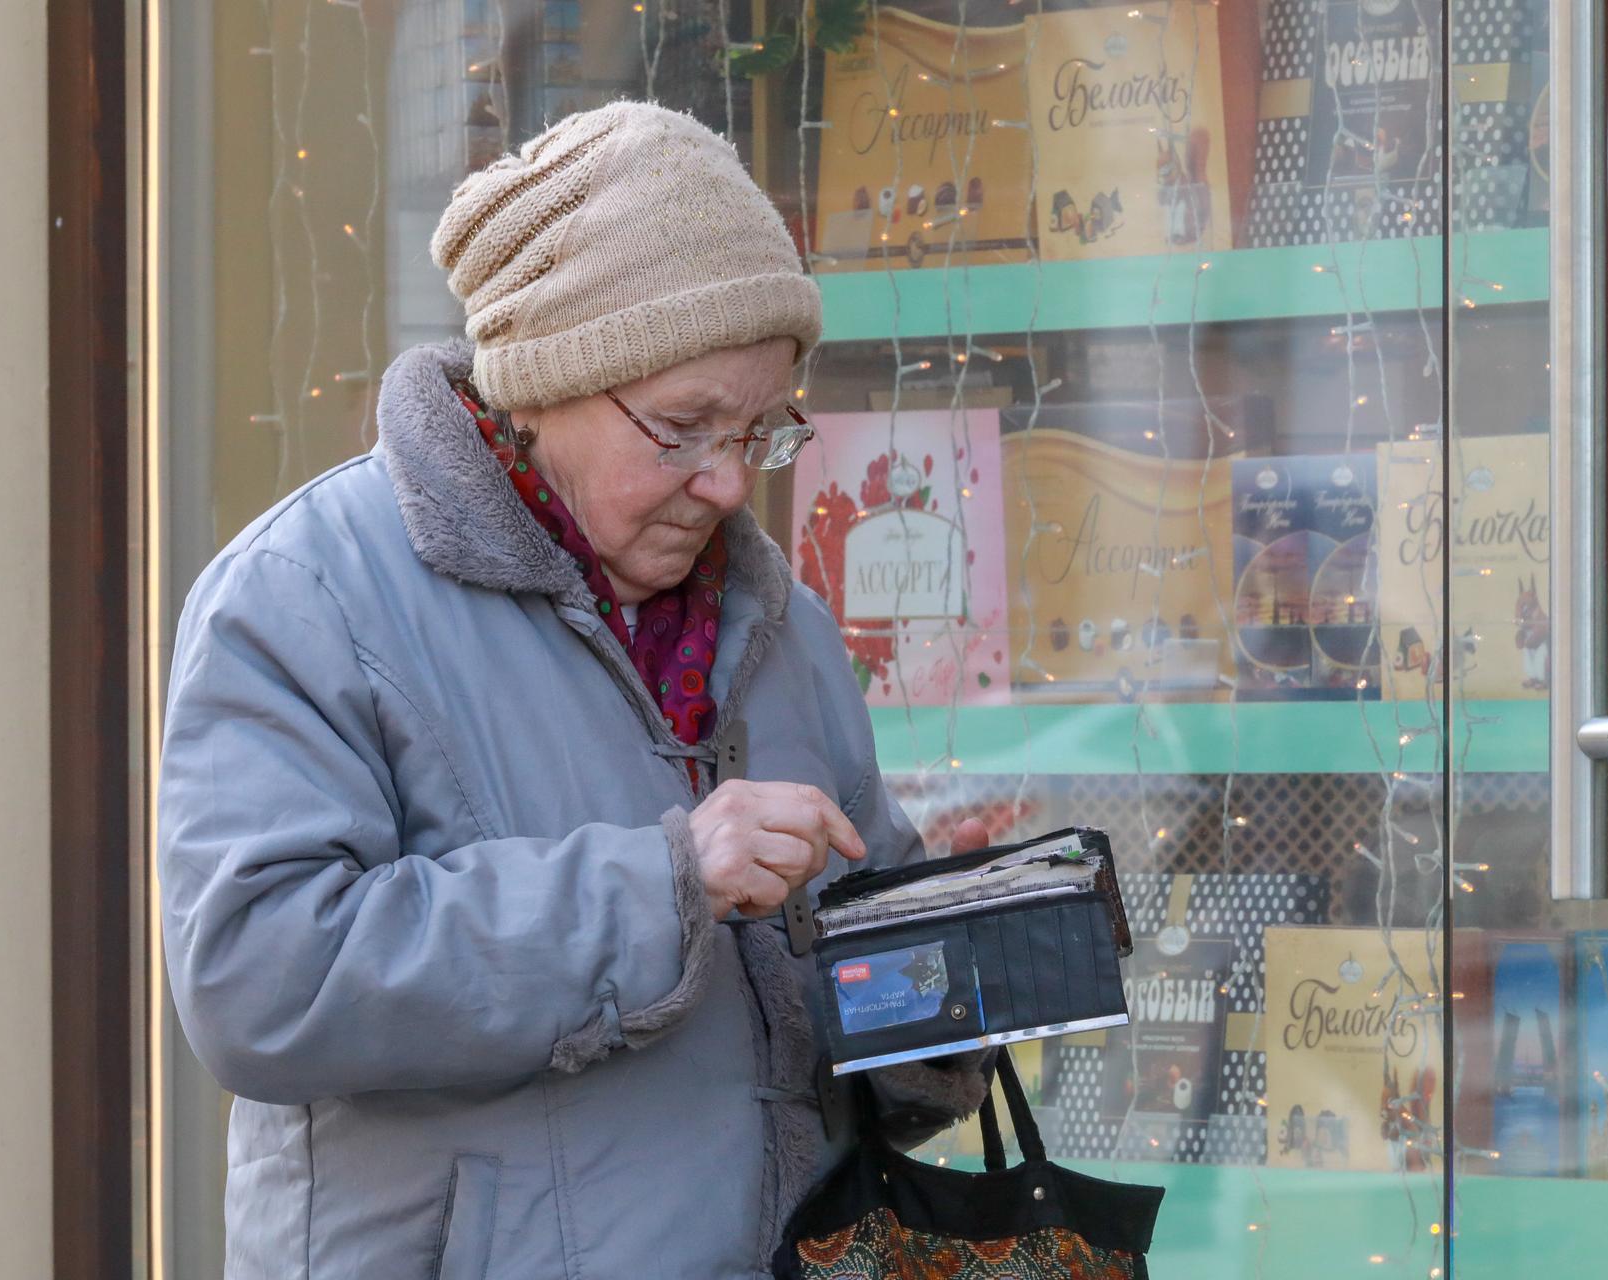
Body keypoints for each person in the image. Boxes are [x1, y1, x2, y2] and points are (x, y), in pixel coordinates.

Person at [159, 101, 993, 1280]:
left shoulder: (781, 625)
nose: (720, 484)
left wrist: (947, 951)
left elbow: (823, 1016)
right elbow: (258, 979)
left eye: (755, 432)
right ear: (543, 380)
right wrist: (662, 882)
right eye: (682, 426)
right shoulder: (305, 592)